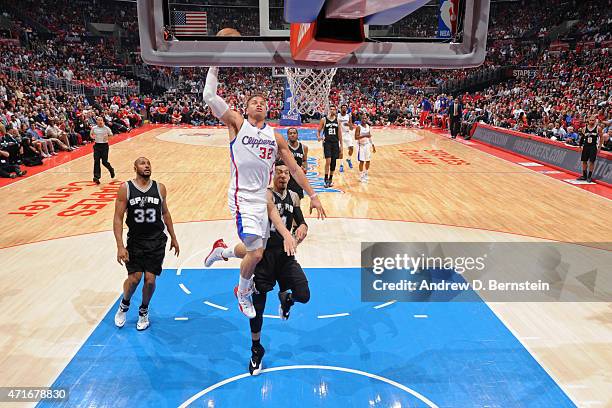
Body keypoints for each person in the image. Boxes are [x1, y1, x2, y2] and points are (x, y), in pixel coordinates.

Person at [202, 61, 325, 319]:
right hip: (242, 196)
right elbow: (209, 96)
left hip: (262, 197)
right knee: (257, 253)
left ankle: (221, 251)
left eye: (263, 102)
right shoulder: (236, 123)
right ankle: (243, 292)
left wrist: (313, 195)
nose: (260, 104)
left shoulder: (275, 136)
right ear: (245, 108)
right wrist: (215, 63)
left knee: (256, 251)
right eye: (254, 101)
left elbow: (295, 170)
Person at [204, 160, 310, 375]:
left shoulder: (294, 197)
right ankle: (256, 350)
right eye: (279, 172)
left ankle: (285, 300)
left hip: (284, 257)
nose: (283, 176)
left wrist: (303, 227)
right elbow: (274, 221)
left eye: (286, 173)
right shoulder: (266, 195)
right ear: (272, 174)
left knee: (304, 294)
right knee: (256, 310)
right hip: (264, 257)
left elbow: (300, 220)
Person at [113, 157, 180, 330]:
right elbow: (118, 218)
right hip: (135, 240)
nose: (147, 165)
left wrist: (173, 236)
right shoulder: (125, 189)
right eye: (142, 163)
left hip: (156, 240)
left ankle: (143, 310)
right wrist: (120, 245)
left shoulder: (160, 188)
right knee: (134, 279)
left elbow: (165, 213)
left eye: (149, 163)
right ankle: (124, 305)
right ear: (134, 167)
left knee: (150, 281)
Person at [317, 105, 343, 187]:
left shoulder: (338, 120)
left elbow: (339, 133)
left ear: (336, 111)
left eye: (333, 109)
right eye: (331, 109)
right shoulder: (324, 120)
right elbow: (318, 130)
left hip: (335, 142)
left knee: (333, 162)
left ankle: (330, 178)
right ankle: (325, 179)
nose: (332, 110)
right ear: (329, 110)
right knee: (328, 161)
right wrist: (319, 137)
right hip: (327, 142)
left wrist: (341, 145)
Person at [577, 116, 603, 183]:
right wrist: (580, 146)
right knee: (584, 161)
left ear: (595, 121)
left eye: (593, 120)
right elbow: (582, 138)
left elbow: (601, 138)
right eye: (590, 120)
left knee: (591, 161)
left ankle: (589, 177)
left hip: (593, 146)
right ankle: (584, 176)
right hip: (586, 146)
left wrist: (599, 147)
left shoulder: (598, 128)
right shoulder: (584, 128)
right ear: (588, 120)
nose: (591, 121)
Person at [90, 116, 116, 185]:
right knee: (96, 161)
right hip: (97, 146)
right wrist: (92, 137)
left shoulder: (106, 128)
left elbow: (111, 135)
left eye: (101, 120)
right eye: (98, 120)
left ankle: (111, 169)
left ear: (103, 121)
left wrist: (107, 138)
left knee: (104, 162)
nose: (100, 121)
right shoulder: (94, 128)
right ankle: (96, 177)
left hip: (104, 146)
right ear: (97, 121)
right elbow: (91, 134)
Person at [286, 127, 308, 199]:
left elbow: (304, 160)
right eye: (290, 133)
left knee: (298, 200)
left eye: (294, 133)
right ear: (288, 136)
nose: (292, 135)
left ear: (297, 135)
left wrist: (304, 168)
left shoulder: (304, 147)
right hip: (286, 177)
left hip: (298, 177)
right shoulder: (284, 147)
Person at [355, 114, 376, 183]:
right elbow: (356, 137)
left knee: (368, 160)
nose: (364, 119)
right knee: (362, 161)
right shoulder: (358, 127)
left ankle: (366, 173)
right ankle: (361, 176)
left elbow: (369, 136)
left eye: (365, 118)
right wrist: (365, 135)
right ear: (361, 119)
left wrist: (372, 145)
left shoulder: (367, 126)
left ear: (367, 119)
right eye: (363, 118)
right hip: (361, 146)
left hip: (367, 145)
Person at [338, 104, 354, 169]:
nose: (344, 108)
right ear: (341, 109)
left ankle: (349, 159)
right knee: (340, 151)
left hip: (347, 134)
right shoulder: (338, 116)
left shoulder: (348, 116)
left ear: (347, 109)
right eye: (343, 107)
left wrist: (349, 125)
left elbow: (352, 128)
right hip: (339, 134)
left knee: (351, 148)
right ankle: (341, 165)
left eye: (345, 108)